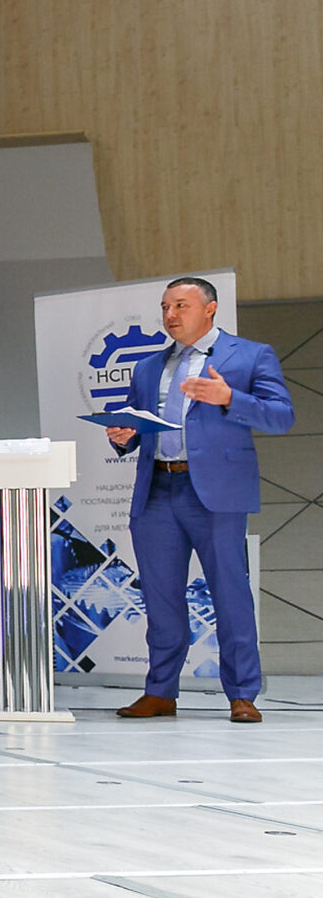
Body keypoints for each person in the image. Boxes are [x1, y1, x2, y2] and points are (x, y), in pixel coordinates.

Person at [104, 276, 293, 723]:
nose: (170, 315)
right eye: (165, 307)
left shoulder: (250, 355)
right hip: (157, 491)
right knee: (161, 598)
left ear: (210, 308)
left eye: (181, 306)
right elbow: (138, 424)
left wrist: (230, 398)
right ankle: (160, 692)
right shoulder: (148, 367)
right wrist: (123, 437)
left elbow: (282, 416)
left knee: (230, 595)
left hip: (216, 493)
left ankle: (242, 694)